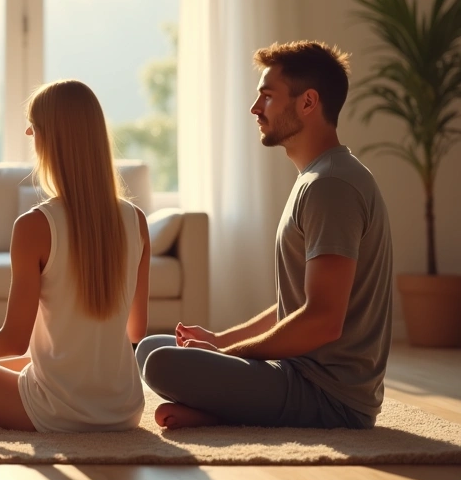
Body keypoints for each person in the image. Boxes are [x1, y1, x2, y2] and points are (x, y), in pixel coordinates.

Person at [136, 40, 393, 430]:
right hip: (296, 372)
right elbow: (298, 304)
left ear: (308, 102)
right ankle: (224, 412)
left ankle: (225, 415)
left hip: (330, 396)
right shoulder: (317, 178)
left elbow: (323, 320)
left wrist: (232, 355)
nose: (255, 109)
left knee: (161, 363)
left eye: (267, 97)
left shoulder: (332, 185)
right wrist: (220, 341)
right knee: (153, 349)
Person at [0, 79, 151, 432]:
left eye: (33, 129)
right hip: (125, 410)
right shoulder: (136, 220)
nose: (29, 135)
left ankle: (1, 411)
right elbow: (135, 329)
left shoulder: (36, 225)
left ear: (50, 140)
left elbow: (12, 340)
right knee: (20, 367)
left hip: (56, 411)